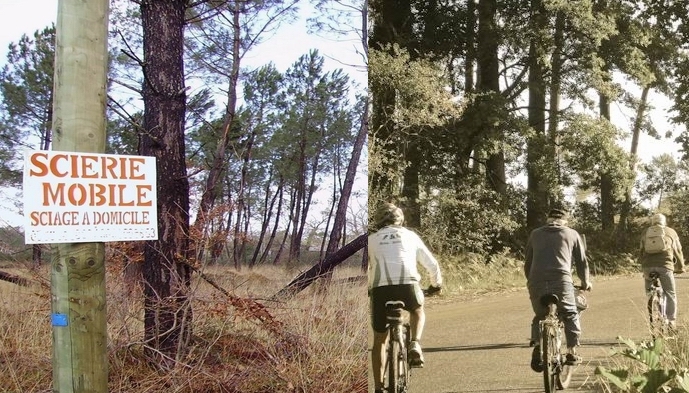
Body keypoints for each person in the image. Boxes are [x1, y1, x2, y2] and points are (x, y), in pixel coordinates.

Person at [368, 202, 442, 393]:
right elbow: (431, 264)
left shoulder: (371, 239)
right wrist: (436, 285)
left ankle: (378, 387)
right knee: (417, 310)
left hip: (380, 290)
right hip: (408, 285)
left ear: (378, 221)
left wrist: (369, 288)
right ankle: (415, 343)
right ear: (400, 219)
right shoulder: (410, 236)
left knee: (379, 339)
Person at [525, 208, 591, 372]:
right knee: (570, 313)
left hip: (536, 281)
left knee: (540, 315)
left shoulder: (535, 234)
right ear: (565, 222)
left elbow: (528, 262)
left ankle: (538, 344)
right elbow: (582, 262)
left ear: (548, 220)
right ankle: (572, 352)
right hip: (561, 281)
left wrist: (532, 281)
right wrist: (585, 282)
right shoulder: (572, 234)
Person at [639, 213, 685, 329]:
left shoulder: (645, 232)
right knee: (670, 293)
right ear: (664, 222)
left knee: (649, 293)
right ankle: (671, 321)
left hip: (647, 267)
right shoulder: (671, 232)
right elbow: (678, 251)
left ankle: (653, 305)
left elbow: (641, 251)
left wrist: (643, 266)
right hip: (665, 266)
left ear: (652, 222)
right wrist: (681, 267)